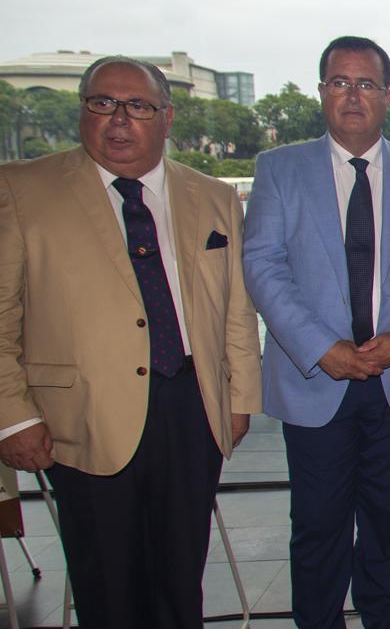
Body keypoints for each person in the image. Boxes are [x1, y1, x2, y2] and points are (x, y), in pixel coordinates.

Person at [0, 56, 261, 627]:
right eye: (102, 103)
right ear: (83, 111)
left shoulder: (213, 196)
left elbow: (236, 307)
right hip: (83, 416)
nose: (118, 119)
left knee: (181, 577)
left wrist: (241, 397)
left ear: (166, 118)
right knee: (109, 584)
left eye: (137, 106)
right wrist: (13, 418)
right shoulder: (22, 190)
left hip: (191, 408)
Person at [243, 36, 390, 629]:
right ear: (321, 93)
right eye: (340, 82)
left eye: (365, 84)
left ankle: (386, 617)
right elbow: (262, 265)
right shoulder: (279, 169)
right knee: (317, 523)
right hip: (316, 379)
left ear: (387, 95)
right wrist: (319, 347)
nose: (352, 95)